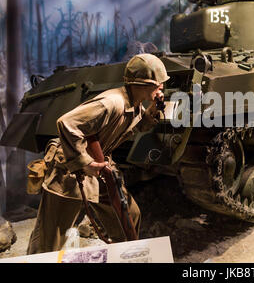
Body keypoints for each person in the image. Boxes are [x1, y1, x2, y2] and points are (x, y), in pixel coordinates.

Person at [27, 53, 170, 254]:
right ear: (142, 84)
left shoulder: (134, 104)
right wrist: (85, 163)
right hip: (69, 168)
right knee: (50, 239)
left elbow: (138, 126)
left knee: (129, 216)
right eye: (158, 83)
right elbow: (67, 123)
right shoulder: (112, 102)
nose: (162, 86)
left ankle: (126, 256)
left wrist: (153, 110)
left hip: (100, 166)